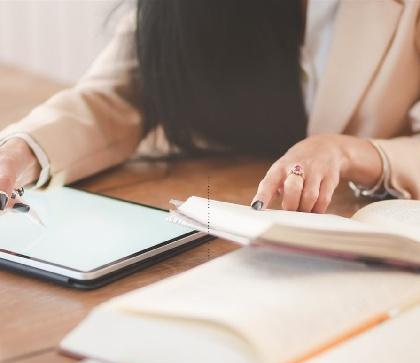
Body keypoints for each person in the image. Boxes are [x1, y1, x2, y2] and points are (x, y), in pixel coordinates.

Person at [0, 0, 419, 214]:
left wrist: (346, 152)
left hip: (361, 229)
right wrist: (19, 154)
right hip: (222, 218)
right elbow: (116, 94)